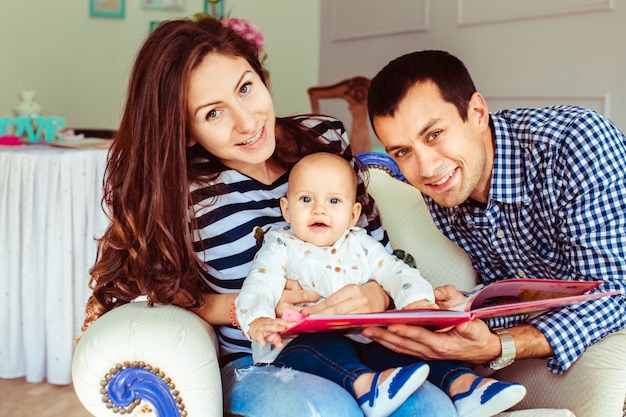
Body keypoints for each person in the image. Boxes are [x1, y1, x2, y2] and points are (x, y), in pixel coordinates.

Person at [80, 19, 458, 417]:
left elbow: (377, 250)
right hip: (262, 361)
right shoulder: (183, 191)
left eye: (246, 88)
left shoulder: (325, 139)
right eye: (213, 114)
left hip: (363, 344)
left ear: (262, 78)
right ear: (187, 130)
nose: (247, 122)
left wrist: (376, 295)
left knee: (429, 407)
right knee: (326, 410)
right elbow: (158, 290)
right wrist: (247, 308)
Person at [364, 50, 626, 379]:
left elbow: (616, 290)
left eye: (434, 135)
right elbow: (514, 290)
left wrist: (500, 345)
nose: (426, 168)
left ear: (476, 112)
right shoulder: (447, 182)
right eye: (403, 151)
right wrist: (464, 309)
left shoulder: (575, 144)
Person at [236, 152, 526, 417]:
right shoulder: (281, 244)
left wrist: (415, 301)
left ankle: (464, 386)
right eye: (306, 200)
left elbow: (395, 271)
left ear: (352, 215)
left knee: (403, 346)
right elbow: (261, 282)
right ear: (286, 210)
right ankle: (365, 386)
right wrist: (258, 318)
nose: (319, 210)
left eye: (333, 201)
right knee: (316, 348)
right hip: (301, 344)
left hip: (366, 337)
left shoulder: (360, 243)